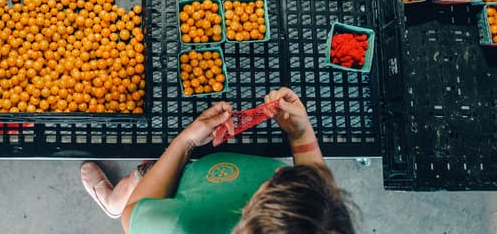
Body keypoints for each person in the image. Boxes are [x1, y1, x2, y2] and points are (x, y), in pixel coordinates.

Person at [80, 87, 356, 233]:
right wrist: (300, 135)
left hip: (189, 186)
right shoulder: (319, 224)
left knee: (141, 179)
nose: (277, 178)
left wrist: (185, 142)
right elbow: (314, 194)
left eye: (271, 187)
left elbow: (136, 214)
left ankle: (112, 201)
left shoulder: (178, 226)